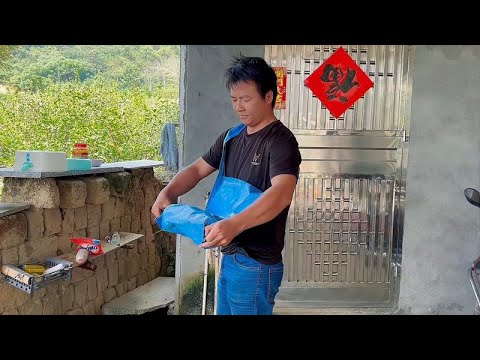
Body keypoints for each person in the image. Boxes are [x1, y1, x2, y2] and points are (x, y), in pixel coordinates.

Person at [151, 55, 302, 315]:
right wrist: (168, 192)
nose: (239, 107)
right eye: (234, 100)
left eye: (246, 99)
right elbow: (198, 169)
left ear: (268, 97)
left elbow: (281, 193)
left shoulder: (280, 141)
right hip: (231, 254)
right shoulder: (231, 137)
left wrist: (235, 224)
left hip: (256, 264)